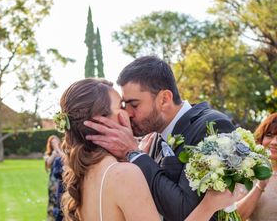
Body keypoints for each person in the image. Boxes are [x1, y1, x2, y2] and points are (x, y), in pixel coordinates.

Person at [59, 78, 237, 221]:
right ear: (101, 122)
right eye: (121, 106)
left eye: (132, 105)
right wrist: (208, 206)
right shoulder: (125, 174)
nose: (128, 113)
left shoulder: (83, 176)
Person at [236, 113, 277, 220]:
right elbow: (235, 217)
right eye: (269, 135)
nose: (274, 142)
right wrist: (260, 186)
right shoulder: (249, 173)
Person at [44, 135, 62, 221]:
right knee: (52, 200)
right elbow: (48, 164)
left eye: (55, 141)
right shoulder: (48, 154)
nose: (54, 143)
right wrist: (54, 154)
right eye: (52, 142)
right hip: (53, 181)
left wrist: (59, 150)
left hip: (62, 180)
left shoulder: (63, 152)